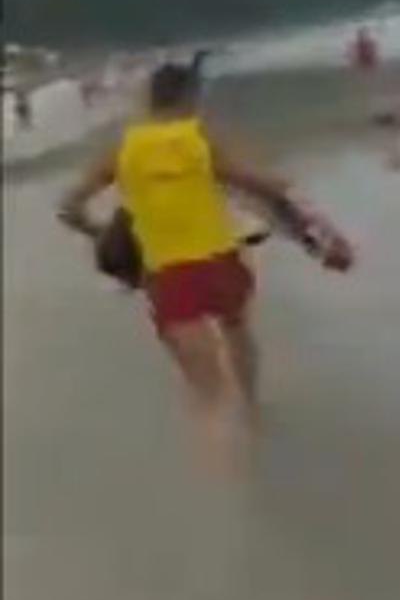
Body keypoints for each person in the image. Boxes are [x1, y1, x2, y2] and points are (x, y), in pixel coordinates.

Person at [56, 63, 351, 431]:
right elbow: (261, 187)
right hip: (218, 261)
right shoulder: (200, 139)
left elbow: (69, 208)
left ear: (150, 99)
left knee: (200, 377)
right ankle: (251, 408)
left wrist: (100, 234)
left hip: (165, 272)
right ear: (190, 98)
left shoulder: (122, 150)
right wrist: (318, 235)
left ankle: (215, 424)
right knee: (236, 329)